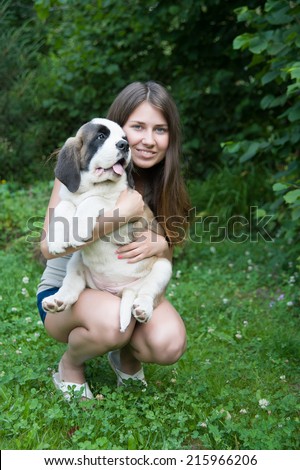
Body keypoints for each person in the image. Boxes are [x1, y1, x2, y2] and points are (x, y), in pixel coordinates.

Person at [37, 81, 191, 400]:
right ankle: (70, 366)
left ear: (170, 137)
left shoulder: (163, 180)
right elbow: (48, 245)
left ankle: (125, 357)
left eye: (160, 130)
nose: (148, 140)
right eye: (138, 127)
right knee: (112, 323)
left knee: (169, 341)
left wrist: (162, 245)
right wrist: (120, 214)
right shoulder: (79, 170)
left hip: (122, 285)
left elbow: (159, 263)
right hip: (67, 293)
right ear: (118, 127)